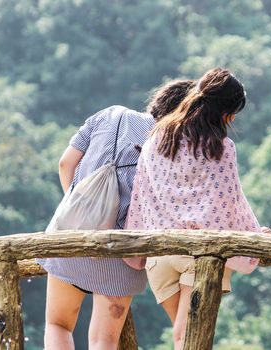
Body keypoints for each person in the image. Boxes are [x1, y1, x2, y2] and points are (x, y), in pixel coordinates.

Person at [36, 79, 194, 350]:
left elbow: (66, 163)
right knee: (104, 341)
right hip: (122, 250)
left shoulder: (109, 115)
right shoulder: (169, 146)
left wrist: (86, 210)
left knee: (58, 325)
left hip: (69, 235)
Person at [125, 67, 266, 349]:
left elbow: (142, 195)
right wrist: (255, 237)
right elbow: (228, 204)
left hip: (160, 255)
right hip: (198, 255)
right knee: (189, 339)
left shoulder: (157, 138)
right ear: (226, 112)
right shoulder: (221, 147)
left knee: (187, 339)